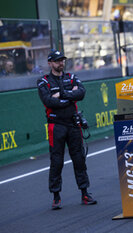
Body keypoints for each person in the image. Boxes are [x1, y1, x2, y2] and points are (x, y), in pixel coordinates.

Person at [37, 49, 97, 210]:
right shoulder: (43, 81)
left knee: (79, 159)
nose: (60, 63)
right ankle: (56, 196)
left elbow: (82, 93)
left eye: (62, 60)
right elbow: (49, 101)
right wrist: (70, 95)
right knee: (56, 161)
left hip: (72, 123)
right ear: (50, 63)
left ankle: (85, 193)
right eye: (57, 61)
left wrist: (62, 94)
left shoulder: (71, 77)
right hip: (55, 125)